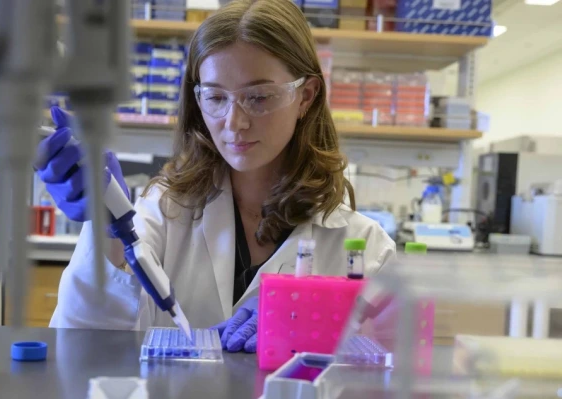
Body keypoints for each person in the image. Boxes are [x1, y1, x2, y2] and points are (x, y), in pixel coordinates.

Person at [38, 0, 396, 352]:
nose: (234, 122)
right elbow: (79, 340)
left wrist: (319, 323)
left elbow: (389, 383)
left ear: (305, 96)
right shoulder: (165, 211)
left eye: (258, 97)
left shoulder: (366, 248)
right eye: (215, 97)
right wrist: (106, 228)